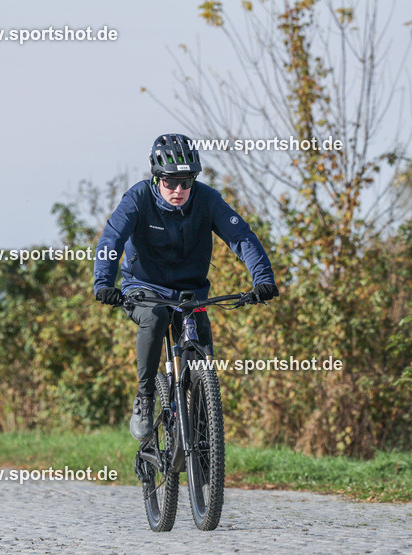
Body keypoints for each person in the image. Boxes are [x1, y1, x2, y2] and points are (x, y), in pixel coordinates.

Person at [93, 133, 279, 440]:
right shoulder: (138, 198)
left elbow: (242, 237)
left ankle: (206, 446)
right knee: (155, 320)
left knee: (202, 345)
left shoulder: (207, 200)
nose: (179, 190)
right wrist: (103, 283)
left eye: (186, 182)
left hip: (190, 292)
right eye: (170, 182)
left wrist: (262, 279)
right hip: (145, 287)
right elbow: (111, 240)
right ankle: (145, 398)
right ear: (157, 179)